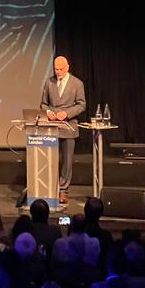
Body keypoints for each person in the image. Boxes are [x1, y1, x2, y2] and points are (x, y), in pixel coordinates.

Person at [40, 55, 86, 204]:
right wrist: (48, 113)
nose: (58, 72)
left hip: (68, 126)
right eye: (56, 69)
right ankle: (49, 188)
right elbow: (43, 104)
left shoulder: (77, 84)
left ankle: (63, 190)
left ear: (67, 68)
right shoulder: (49, 82)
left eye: (60, 69)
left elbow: (81, 105)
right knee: (51, 159)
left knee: (67, 161)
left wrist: (66, 113)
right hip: (51, 127)